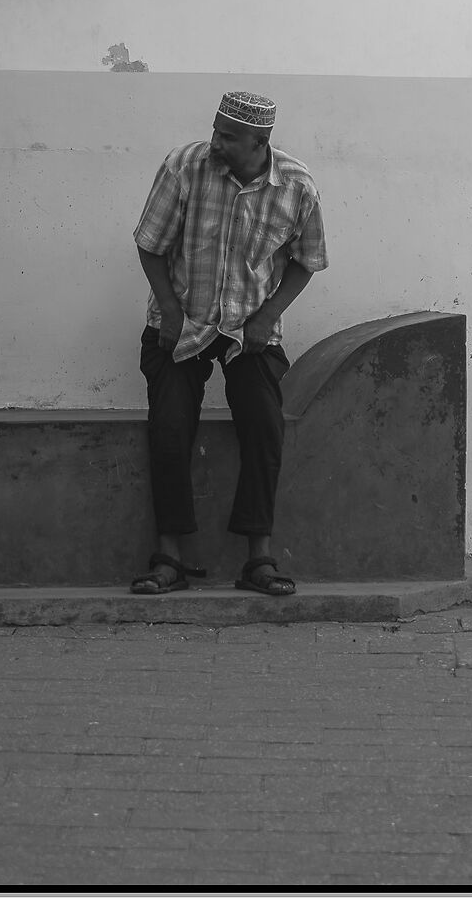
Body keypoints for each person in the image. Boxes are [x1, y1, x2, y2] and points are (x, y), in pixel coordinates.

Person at [130, 91, 328, 597]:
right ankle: (169, 558)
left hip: (249, 328)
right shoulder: (184, 166)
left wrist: (269, 316)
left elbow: (307, 260)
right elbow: (150, 245)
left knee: (264, 427)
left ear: (259, 142)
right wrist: (170, 311)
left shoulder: (296, 185)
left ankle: (259, 559)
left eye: (228, 137)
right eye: (216, 130)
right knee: (169, 427)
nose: (215, 142)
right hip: (182, 320)